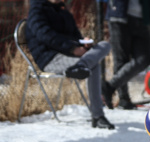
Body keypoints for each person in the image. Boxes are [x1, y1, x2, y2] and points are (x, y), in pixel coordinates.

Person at [26, 0, 115, 129]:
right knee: (94, 64)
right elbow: (46, 36)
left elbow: (74, 36)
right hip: (50, 58)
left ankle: (81, 66)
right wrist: (72, 49)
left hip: (71, 56)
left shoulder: (63, 11)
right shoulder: (36, 10)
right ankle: (97, 116)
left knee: (105, 45)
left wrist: (82, 44)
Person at [102, 0, 150, 110]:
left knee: (145, 58)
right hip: (119, 15)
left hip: (142, 17)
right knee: (121, 59)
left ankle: (110, 86)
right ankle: (123, 99)